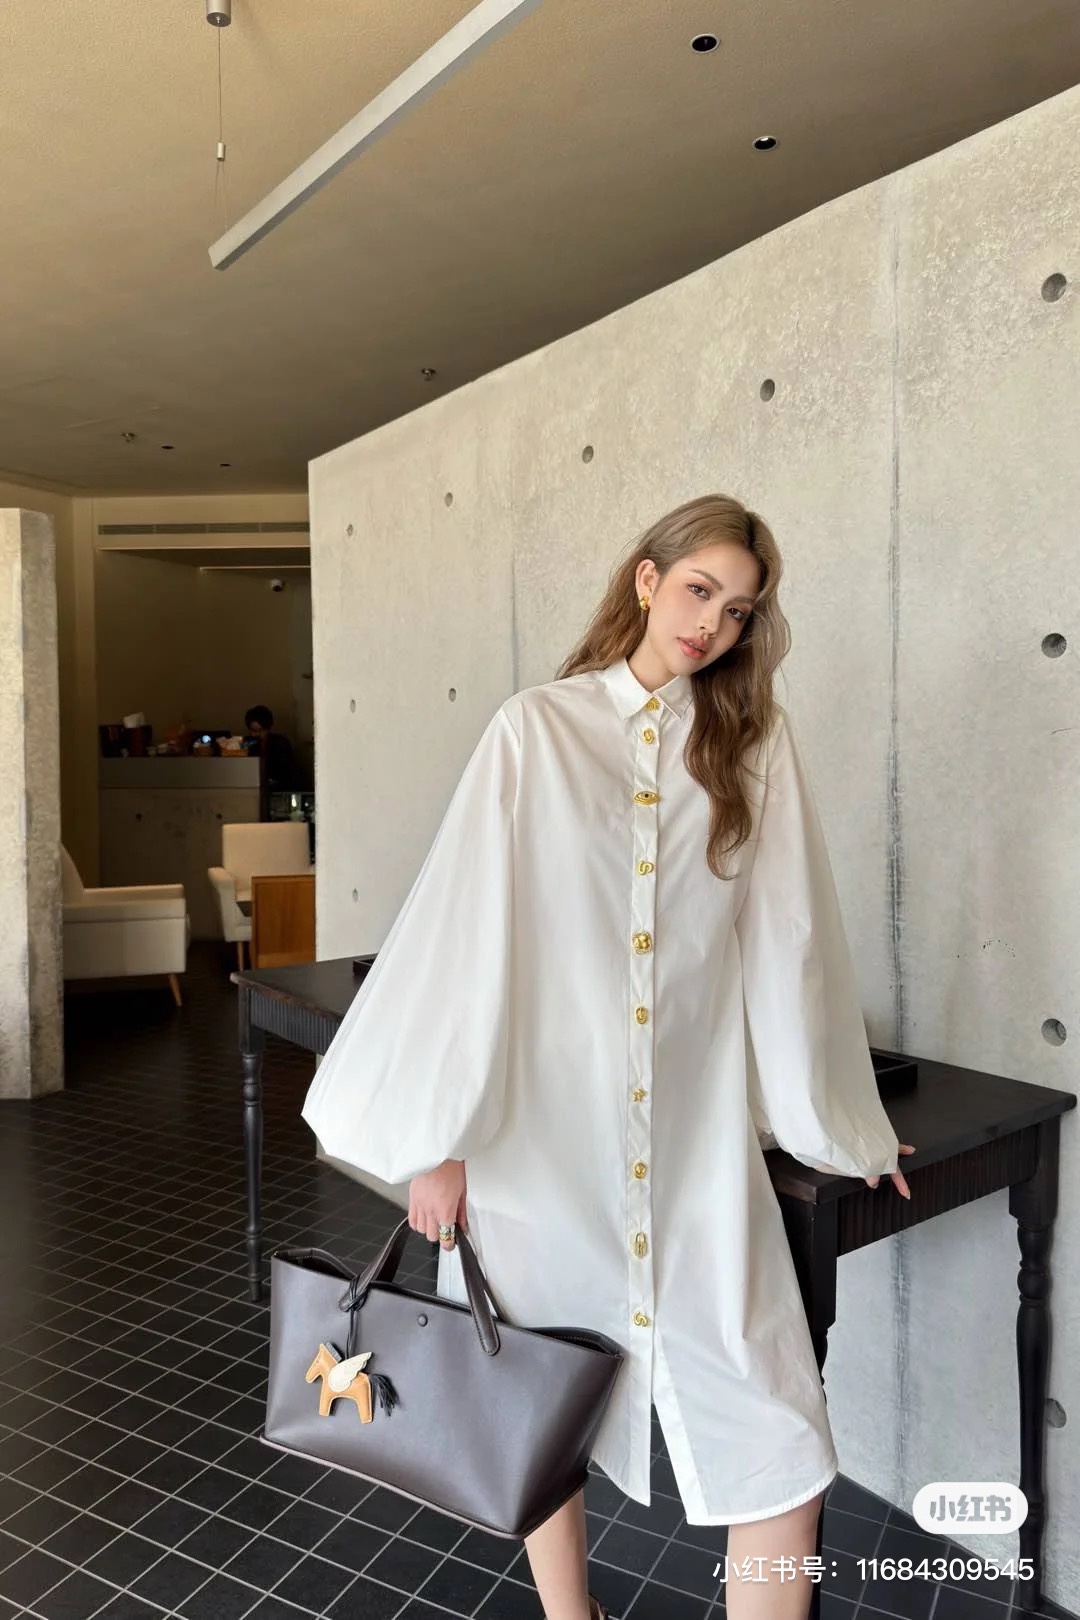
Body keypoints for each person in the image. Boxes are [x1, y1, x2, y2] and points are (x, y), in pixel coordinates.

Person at [302, 493, 916, 1620]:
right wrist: (439, 1144)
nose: (712, 625)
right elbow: (465, 937)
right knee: (537, 1401)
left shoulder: (753, 748)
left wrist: (839, 1124)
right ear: (646, 579)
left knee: (779, 1440)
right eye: (698, 592)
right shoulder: (534, 732)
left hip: (694, 1155)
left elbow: (789, 944)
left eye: (738, 611)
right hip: (537, 1146)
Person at [243, 704, 296, 791]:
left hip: (278, 789)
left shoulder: (280, 743)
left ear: (268, 728)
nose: (257, 734)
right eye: (253, 731)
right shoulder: (247, 744)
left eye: (261, 730)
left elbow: (286, 773)